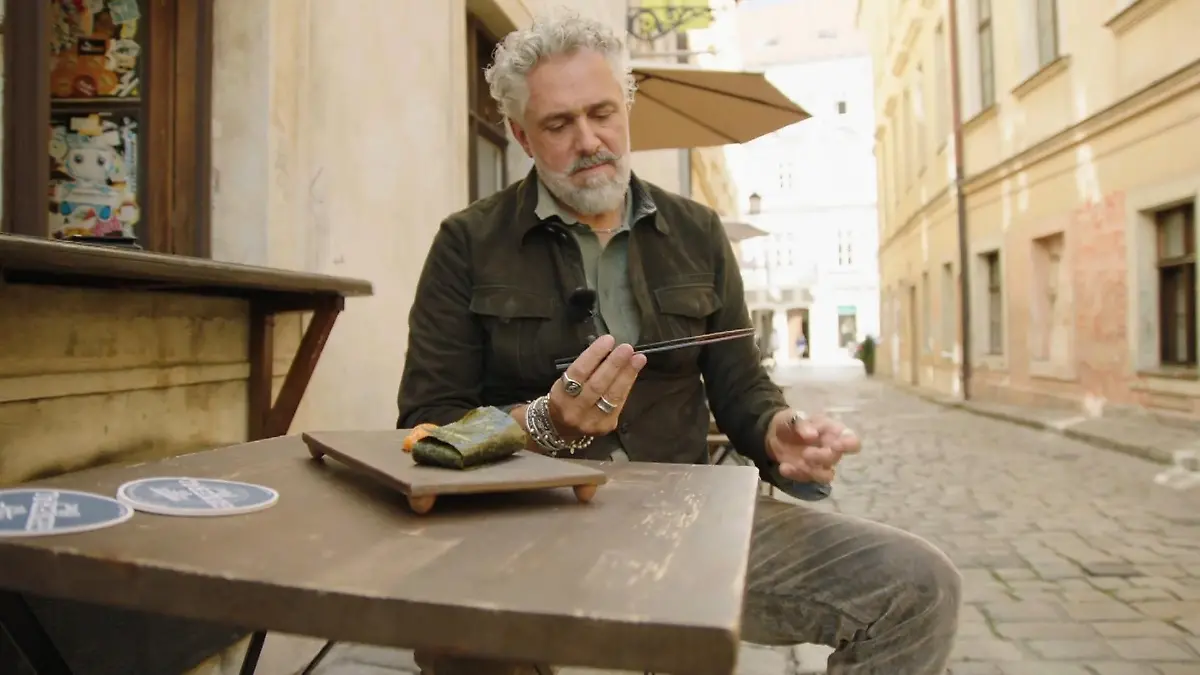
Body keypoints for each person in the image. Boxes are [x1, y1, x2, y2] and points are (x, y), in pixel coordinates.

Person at [397, 12, 960, 674]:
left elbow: (741, 383)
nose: (589, 140)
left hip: (688, 519)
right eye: (559, 124)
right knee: (462, 641)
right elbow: (426, 426)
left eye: (603, 113)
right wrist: (542, 425)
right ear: (521, 135)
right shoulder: (467, 243)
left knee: (917, 588)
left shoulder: (697, 231)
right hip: (523, 522)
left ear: (626, 106)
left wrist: (776, 431)